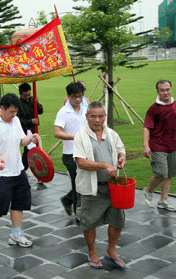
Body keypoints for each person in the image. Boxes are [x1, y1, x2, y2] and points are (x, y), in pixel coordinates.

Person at [0, 93, 39, 247]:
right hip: (1, 172)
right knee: (1, 203)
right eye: (11, 112)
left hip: (18, 169)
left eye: (16, 112)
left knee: (20, 202)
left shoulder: (16, 120)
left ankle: (16, 235)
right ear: (2, 108)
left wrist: (30, 139)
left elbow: (21, 141)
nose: (14, 115)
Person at [73, 102, 127, 270]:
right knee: (89, 222)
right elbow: (81, 162)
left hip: (113, 187)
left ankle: (111, 251)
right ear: (87, 116)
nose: (97, 120)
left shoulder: (111, 133)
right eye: (93, 116)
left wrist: (121, 158)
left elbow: (121, 149)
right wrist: (104, 165)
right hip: (91, 187)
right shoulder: (80, 136)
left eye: (101, 116)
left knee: (118, 220)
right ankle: (92, 252)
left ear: (105, 117)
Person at [143, 80, 176, 212]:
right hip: (158, 145)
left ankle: (163, 201)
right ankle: (148, 191)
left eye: (167, 89)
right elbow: (147, 127)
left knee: (169, 174)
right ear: (158, 92)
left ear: (171, 89)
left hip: (173, 145)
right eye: (162, 90)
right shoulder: (153, 109)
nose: (165, 92)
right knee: (161, 172)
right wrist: (146, 145)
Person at [54, 82, 87, 217]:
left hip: (85, 152)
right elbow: (57, 132)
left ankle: (68, 200)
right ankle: (78, 213)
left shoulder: (85, 107)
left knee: (84, 183)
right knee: (78, 185)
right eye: (75, 97)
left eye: (80, 96)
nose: (78, 100)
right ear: (68, 96)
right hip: (70, 154)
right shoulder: (63, 112)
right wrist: (74, 137)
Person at [17, 83, 44, 176]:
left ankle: (27, 169)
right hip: (25, 130)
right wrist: (30, 121)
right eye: (25, 95)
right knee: (28, 150)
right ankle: (23, 169)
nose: (28, 97)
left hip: (34, 129)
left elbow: (40, 111)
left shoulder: (32, 100)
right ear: (20, 94)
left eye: (29, 94)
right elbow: (18, 120)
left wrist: (37, 103)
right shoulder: (18, 104)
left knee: (35, 148)